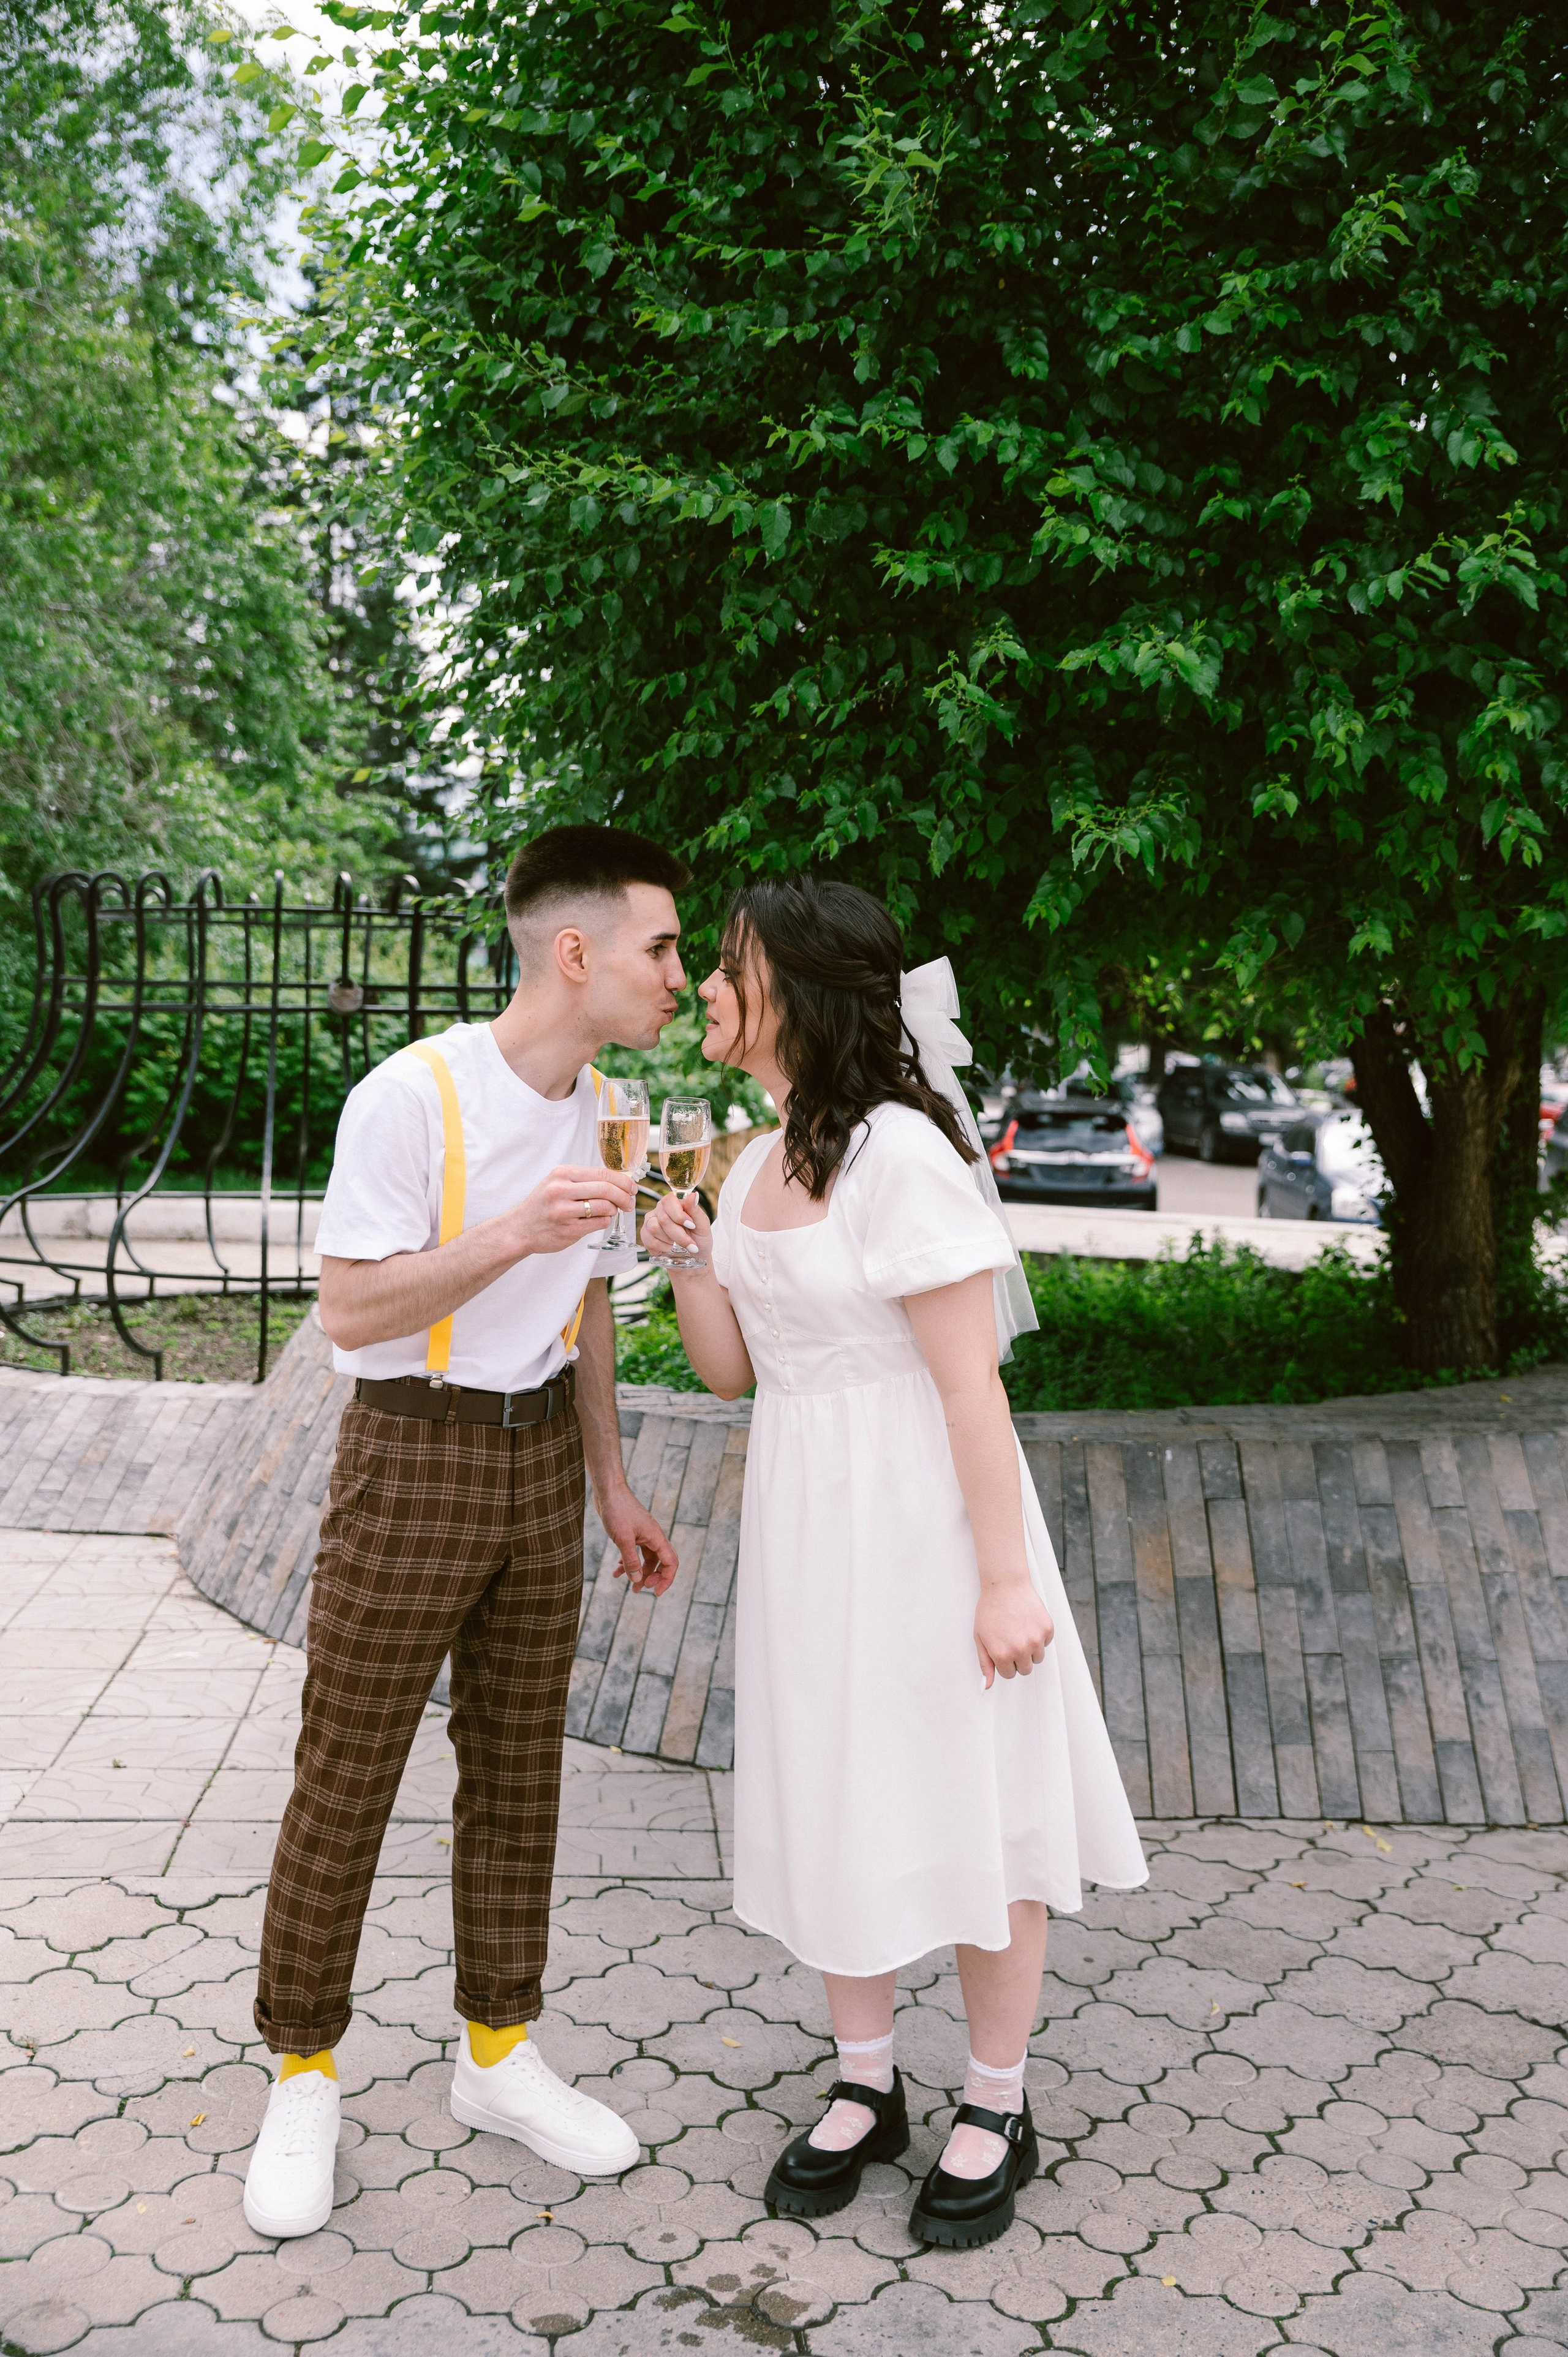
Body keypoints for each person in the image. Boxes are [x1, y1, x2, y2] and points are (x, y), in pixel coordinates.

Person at [640, 876, 1147, 2252]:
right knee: (833, 1789)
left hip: (927, 1518)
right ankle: (864, 2080)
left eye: (726, 967)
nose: (702, 987)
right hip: (809, 1520)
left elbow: (968, 1388)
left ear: (793, 991)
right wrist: (692, 1261)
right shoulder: (746, 1165)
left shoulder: (899, 1157)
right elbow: (735, 1370)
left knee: (972, 1801)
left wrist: (1002, 1579)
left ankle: (997, 2097)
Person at [242, 825, 688, 2240]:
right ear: (577, 953)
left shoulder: (614, 1103)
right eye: (661, 949)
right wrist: (510, 1229)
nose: (679, 976)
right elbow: (349, 1312)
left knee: (516, 1771)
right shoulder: (410, 1096)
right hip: (413, 1451)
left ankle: (497, 2051)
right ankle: (303, 2069)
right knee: (348, 1768)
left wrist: (610, 1480)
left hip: (541, 1452)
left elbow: (594, 1304)